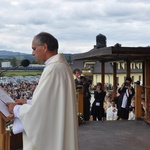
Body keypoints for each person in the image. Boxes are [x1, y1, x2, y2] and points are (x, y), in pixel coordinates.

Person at [7, 32, 79, 150]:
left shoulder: (53, 69)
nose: (32, 53)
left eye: (34, 49)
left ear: (45, 47)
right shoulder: (63, 67)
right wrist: (28, 102)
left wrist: (15, 109)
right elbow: (52, 103)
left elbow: (39, 112)